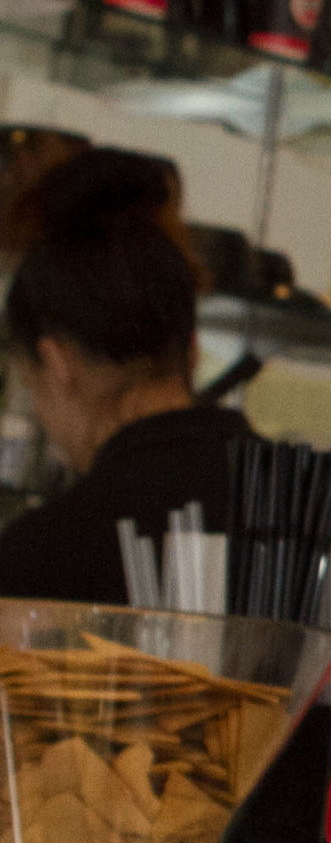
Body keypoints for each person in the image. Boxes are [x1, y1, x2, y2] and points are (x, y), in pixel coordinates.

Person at [0, 147, 252, 605]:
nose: (40, 414)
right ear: (191, 349)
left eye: (31, 387)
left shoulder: (42, 557)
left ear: (58, 365)